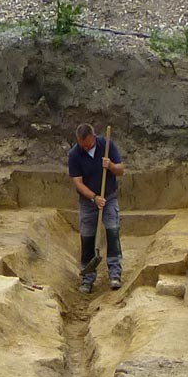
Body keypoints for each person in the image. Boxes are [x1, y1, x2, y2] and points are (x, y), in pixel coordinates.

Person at [68, 121, 125, 294]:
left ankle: (115, 273)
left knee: (112, 231)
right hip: (88, 202)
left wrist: (111, 166)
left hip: (109, 197)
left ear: (93, 137)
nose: (85, 148)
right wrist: (94, 197)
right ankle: (87, 276)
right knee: (87, 237)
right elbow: (78, 183)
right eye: (82, 145)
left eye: (88, 144)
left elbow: (121, 170)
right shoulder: (75, 154)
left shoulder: (106, 145)